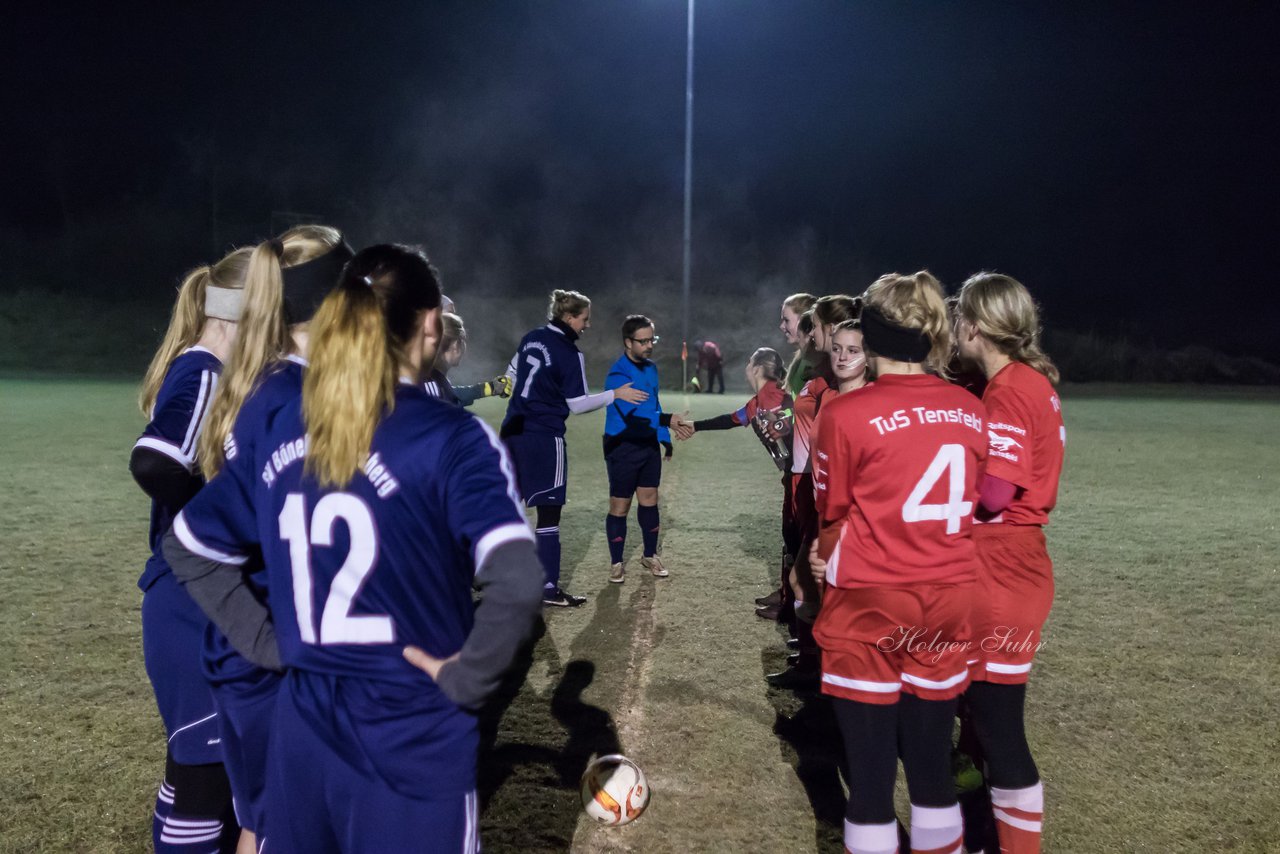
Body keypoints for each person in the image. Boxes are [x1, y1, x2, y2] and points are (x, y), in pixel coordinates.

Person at [163, 243, 544, 853]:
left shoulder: (291, 419)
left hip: (303, 726)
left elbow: (188, 545)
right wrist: (468, 678)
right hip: (407, 729)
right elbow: (520, 580)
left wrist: (269, 642)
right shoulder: (451, 435)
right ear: (430, 324)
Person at [809, 271, 987, 854]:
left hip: (872, 600)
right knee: (933, 772)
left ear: (874, 333)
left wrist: (820, 560)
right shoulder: (970, 408)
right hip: (950, 599)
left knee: (871, 779)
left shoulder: (847, 413)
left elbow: (833, 512)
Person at [193, 224, 352, 851]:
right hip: (278, 658)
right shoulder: (297, 403)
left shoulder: (266, 384)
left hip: (252, 652)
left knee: (264, 827)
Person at [130, 248, 250, 853]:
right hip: (194, 607)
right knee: (203, 781)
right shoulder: (204, 369)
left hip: (197, 603)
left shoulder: (206, 368)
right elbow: (156, 459)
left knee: (211, 780)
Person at [952, 272, 1064, 854]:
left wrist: (940, 507)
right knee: (976, 724)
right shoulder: (1025, 381)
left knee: (998, 730)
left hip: (1004, 568)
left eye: (959, 318)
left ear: (977, 324)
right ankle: (980, 839)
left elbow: (996, 493)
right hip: (1007, 566)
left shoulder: (1011, 389)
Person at [501, 289, 648, 607]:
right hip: (543, 437)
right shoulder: (568, 352)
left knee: (507, 508)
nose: (588, 325)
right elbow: (578, 405)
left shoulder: (531, 337)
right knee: (548, 514)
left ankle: (492, 577)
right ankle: (548, 588)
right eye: (585, 319)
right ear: (569, 318)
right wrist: (614, 395)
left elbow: (510, 375)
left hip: (511, 433)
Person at [768, 296, 862, 689]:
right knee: (803, 577)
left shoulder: (837, 386)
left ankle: (820, 669)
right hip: (809, 484)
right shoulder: (822, 380)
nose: (809, 334)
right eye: (835, 346)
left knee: (809, 580)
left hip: (823, 493)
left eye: (816, 327)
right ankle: (812, 662)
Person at [601, 315, 691, 583]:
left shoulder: (651, 368)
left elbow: (654, 405)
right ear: (628, 342)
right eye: (643, 341)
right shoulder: (618, 375)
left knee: (650, 499)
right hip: (623, 445)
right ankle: (617, 562)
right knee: (620, 505)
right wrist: (667, 420)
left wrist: (664, 437)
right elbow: (635, 414)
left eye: (652, 339)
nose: (650, 345)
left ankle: (649, 555)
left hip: (647, 444)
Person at [424, 312, 513, 406]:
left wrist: (490, 387)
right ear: (455, 345)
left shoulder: (430, 379)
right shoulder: (431, 385)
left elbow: (452, 394)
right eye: (463, 340)